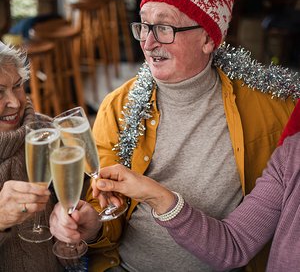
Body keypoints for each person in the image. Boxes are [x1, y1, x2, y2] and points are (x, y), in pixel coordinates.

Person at [49, 0, 297, 271]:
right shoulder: (119, 106)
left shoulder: (272, 105)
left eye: (164, 28)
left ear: (208, 38)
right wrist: (91, 227)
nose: (149, 43)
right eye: (143, 26)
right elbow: (104, 208)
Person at [93, 99, 300, 272]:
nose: (148, 46)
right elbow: (235, 244)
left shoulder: (265, 106)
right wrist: (157, 196)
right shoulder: (292, 153)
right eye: (140, 45)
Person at [0, 41, 64, 271]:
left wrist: (81, 232)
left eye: (17, 86)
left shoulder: (47, 132)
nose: (15, 102)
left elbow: (81, 202)